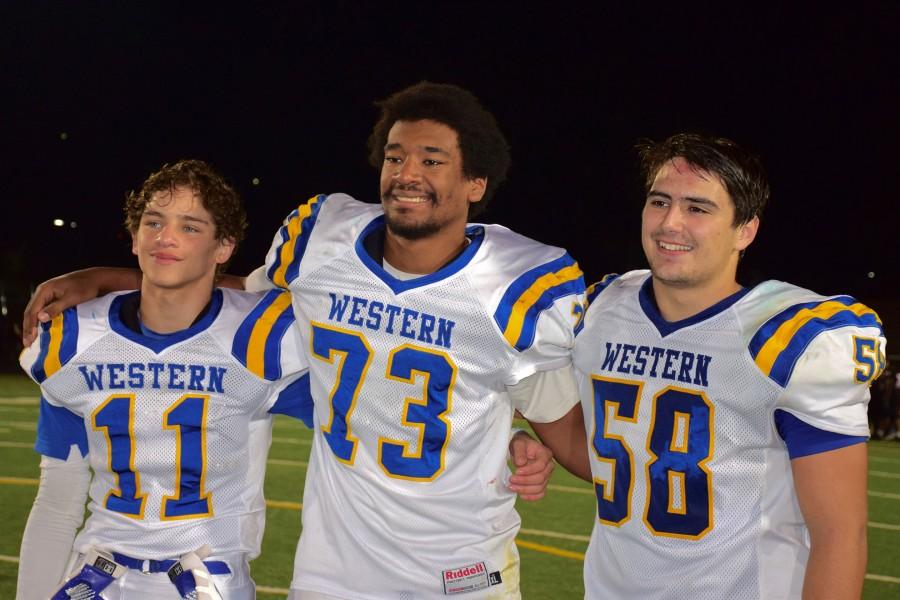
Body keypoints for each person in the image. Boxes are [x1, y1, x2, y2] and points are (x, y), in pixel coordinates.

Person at [21, 82, 578, 599]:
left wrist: (506, 435)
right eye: (395, 156)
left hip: (462, 572)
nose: (408, 172)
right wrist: (105, 278)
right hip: (333, 570)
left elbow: (555, 418)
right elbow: (230, 290)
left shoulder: (518, 285)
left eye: (432, 160)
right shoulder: (320, 243)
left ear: (475, 182)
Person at [572, 133, 885, 599]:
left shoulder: (783, 338)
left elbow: (840, 534)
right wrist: (527, 440)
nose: (670, 222)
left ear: (746, 230)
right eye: (660, 201)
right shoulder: (600, 311)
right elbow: (610, 453)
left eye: (697, 208)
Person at [18, 160, 313, 600]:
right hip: (98, 579)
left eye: (190, 227)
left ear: (223, 247)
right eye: (153, 222)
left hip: (206, 580)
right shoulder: (73, 340)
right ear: (135, 236)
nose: (166, 237)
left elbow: (354, 447)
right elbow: (58, 503)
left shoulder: (263, 337)